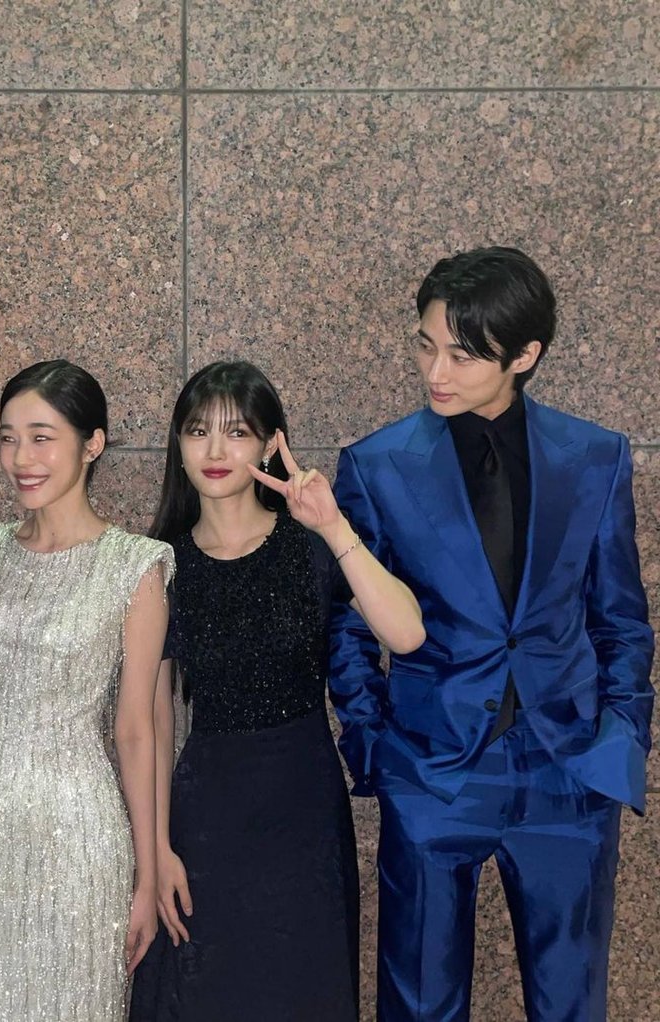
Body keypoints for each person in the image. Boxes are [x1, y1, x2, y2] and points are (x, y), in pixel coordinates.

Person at [330, 246, 655, 1021]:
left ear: (525, 355)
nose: (436, 370)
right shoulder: (375, 465)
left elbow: (620, 617)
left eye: (463, 354)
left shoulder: (596, 457)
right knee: (419, 1005)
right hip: (431, 770)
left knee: (571, 1004)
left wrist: (618, 743)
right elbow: (345, 627)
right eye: (425, 344)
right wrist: (377, 749)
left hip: (567, 772)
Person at [129, 361, 425, 1021]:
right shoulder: (159, 564)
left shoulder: (310, 547)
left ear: (270, 443)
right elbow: (147, 727)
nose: (213, 450)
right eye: (196, 431)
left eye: (236, 432)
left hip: (303, 814)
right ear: (177, 445)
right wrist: (155, 857)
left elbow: (406, 635)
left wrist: (333, 526)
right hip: (203, 820)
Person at [0, 359, 174, 1021]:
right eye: (7, 437)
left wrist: (146, 875)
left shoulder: (135, 564)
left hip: (79, 835)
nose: (20, 457)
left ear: (92, 444)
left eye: (41, 436)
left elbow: (137, 731)